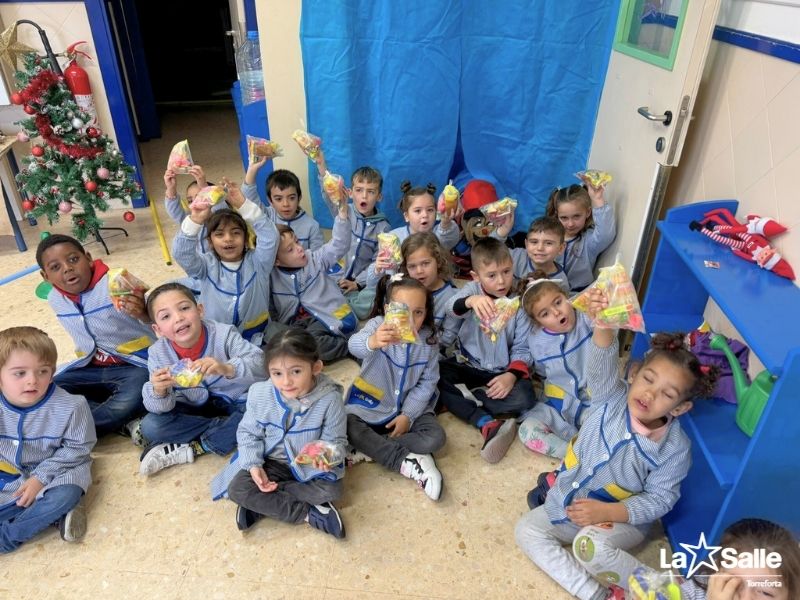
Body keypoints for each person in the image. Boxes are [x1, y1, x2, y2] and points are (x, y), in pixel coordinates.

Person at [515, 288, 719, 600]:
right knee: (526, 530)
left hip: (621, 518)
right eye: (648, 379)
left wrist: (609, 512)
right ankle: (596, 594)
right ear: (634, 375)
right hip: (571, 498)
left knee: (590, 546)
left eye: (667, 394)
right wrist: (604, 323)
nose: (650, 394)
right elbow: (599, 365)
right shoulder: (611, 396)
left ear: (679, 408)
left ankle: (667, 591)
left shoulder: (675, 449)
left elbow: (660, 501)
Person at [211, 329, 347, 539]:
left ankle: (262, 503)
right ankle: (308, 514)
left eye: (296, 371)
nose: (286, 382)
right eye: (277, 374)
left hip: (307, 466)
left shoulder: (330, 399)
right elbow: (248, 433)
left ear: (316, 367)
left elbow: (337, 442)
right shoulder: (260, 394)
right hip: (272, 462)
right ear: (269, 372)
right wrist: (254, 466)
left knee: (331, 491)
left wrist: (329, 456)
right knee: (238, 488)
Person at [138, 283, 266, 476]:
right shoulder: (158, 353)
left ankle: (197, 446)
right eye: (166, 316)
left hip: (236, 399)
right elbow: (157, 407)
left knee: (263, 408)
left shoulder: (224, 334)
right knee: (150, 426)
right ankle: (228, 427)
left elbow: (260, 363)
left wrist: (227, 368)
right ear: (158, 330)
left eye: (184, 308)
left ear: (199, 310)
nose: (178, 318)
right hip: (192, 406)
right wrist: (159, 390)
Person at [37, 234, 154, 439]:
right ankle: (117, 422)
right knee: (46, 390)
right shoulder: (55, 299)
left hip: (135, 366)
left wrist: (144, 312)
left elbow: (157, 320)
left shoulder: (115, 283)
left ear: (89, 258)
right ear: (45, 277)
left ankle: (71, 430)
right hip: (90, 368)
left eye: (73, 259)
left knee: (130, 399)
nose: (67, 268)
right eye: (55, 267)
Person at [345, 275, 446, 502]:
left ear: (426, 313)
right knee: (347, 423)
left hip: (412, 409)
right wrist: (372, 341)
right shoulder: (376, 326)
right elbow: (353, 345)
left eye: (418, 312)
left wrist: (408, 416)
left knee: (435, 438)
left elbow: (427, 382)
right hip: (371, 404)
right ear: (387, 309)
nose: (410, 320)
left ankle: (370, 448)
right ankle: (406, 460)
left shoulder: (428, 340)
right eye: (403, 311)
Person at [437, 237, 536, 464]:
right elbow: (450, 308)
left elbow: (522, 347)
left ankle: (463, 401)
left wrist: (511, 376)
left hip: (500, 372)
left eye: (506, 271)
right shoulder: (472, 290)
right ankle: (484, 420)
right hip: (467, 365)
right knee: (435, 374)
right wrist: (471, 300)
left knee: (526, 397)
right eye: (491, 276)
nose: (501, 281)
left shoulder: (519, 301)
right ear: (476, 276)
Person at [0, 326, 95, 552]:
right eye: (19, 373)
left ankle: (9, 536)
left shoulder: (73, 406)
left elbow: (78, 449)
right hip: (8, 475)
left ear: (52, 372)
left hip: (59, 472)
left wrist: (40, 477)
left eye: (42, 371)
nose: (32, 381)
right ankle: (54, 516)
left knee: (64, 495)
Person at [172, 179, 278, 346]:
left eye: (235, 233)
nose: (228, 239)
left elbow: (270, 236)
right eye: (219, 234)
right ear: (210, 241)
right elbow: (181, 252)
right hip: (217, 342)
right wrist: (195, 220)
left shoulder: (259, 262)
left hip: (258, 337)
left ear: (245, 239)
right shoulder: (206, 265)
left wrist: (244, 205)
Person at [516, 271, 593, 461]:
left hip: (593, 401)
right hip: (557, 404)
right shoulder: (536, 340)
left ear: (567, 297)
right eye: (545, 314)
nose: (556, 313)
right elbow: (542, 372)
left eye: (558, 302)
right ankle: (574, 457)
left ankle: (590, 451)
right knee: (527, 431)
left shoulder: (586, 317)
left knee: (602, 430)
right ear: (538, 322)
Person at [267, 197, 355, 363]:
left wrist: (342, 214)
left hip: (324, 318)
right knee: (273, 336)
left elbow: (339, 245)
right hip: (296, 325)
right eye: (290, 249)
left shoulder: (315, 259)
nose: (299, 249)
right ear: (276, 261)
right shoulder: (272, 274)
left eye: (297, 241)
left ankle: (349, 346)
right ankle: (303, 351)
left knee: (312, 343)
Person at [629, 518, 800, 600]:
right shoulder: (702, 586)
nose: (746, 599)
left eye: (765, 592)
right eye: (732, 582)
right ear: (718, 571)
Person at [316, 149, 391, 318]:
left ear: (379, 197)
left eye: (371, 191)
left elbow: (376, 263)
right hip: (334, 275)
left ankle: (344, 306)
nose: (364, 196)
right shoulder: (344, 210)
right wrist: (321, 165)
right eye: (359, 190)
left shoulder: (383, 227)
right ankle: (333, 303)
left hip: (358, 283)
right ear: (350, 192)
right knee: (316, 286)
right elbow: (328, 193)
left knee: (373, 298)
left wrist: (358, 283)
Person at [546, 182, 615, 292]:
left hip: (580, 297)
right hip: (550, 296)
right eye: (564, 218)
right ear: (557, 215)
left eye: (576, 216)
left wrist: (597, 200)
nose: (570, 224)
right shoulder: (547, 239)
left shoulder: (587, 241)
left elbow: (605, 235)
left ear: (588, 212)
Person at [242, 161, 324, 250]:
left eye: (291, 198)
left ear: (299, 198)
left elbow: (318, 258)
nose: (286, 204)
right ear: (270, 201)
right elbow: (249, 199)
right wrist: (252, 169)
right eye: (278, 199)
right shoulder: (266, 216)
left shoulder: (312, 226)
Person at [400, 232, 460, 353]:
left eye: (425, 263)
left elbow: (448, 337)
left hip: (431, 354)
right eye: (412, 266)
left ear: (438, 261)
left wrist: (420, 346)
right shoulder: (404, 291)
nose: (419, 271)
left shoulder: (452, 297)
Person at [510, 217, 570, 292]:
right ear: (526, 244)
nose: (540, 248)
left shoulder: (561, 282)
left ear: (561, 248)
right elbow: (491, 252)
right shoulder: (517, 256)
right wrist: (501, 232)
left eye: (548, 243)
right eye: (534, 242)